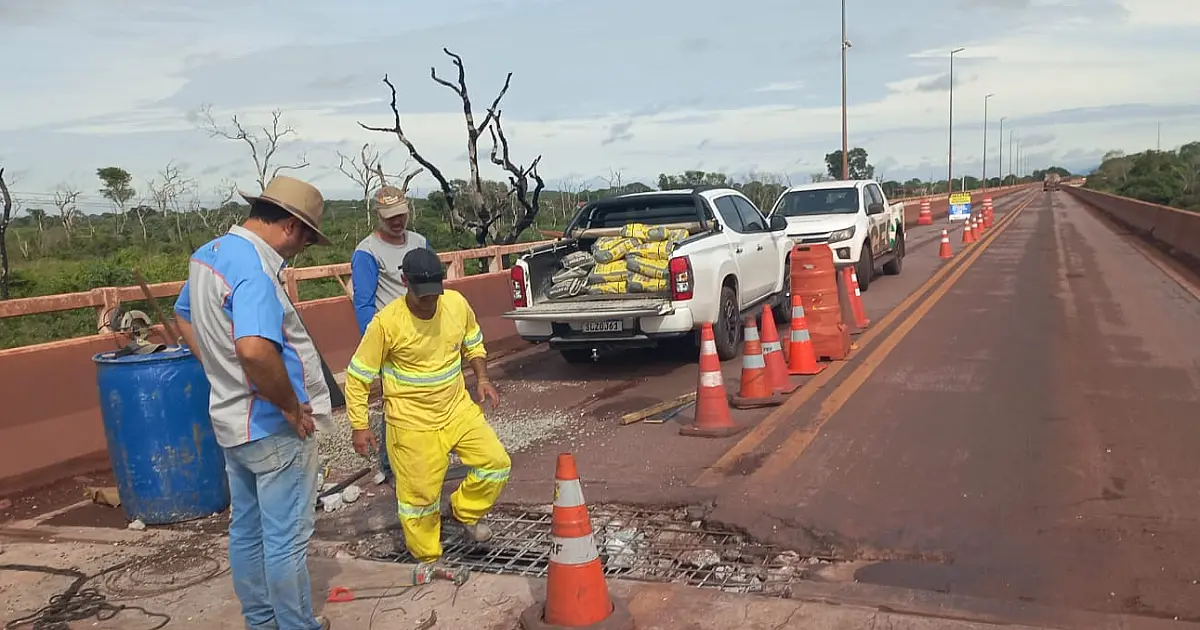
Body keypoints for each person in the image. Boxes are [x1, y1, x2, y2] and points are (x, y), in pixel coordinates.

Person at [173, 175, 334, 630]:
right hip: (269, 426)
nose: (300, 249)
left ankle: (262, 622)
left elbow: (183, 314)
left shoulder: (209, 256)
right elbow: (255, 350)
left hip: (230, 419)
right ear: (289, 226)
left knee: (246, 530)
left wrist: (216, 367)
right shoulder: (256, 270)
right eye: (305, 238)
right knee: (285, 539)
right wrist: (287, 404)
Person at [343, 247, 510, 566]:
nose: (431, 302)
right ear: (405, 281)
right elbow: (358, 376)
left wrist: (483, 378)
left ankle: (465, 512)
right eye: (424, 296)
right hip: (411, 423)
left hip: (457, 410)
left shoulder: (456, 304)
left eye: (436, 294)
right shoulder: (386, 324)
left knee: (496, 463)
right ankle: (429, 559)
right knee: (419, 499)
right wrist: (359, 424)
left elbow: (472, 339)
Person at [350, 185, 435, 485]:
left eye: (400, 215)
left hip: (425, 331)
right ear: (378, 216)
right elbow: (363, 301)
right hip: (393, 336)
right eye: (390, 217)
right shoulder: (367, 251)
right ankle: (390, 465)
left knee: (431, 393)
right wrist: (373, 344)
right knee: (396, 402)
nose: (396, 222)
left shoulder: (420, 241)